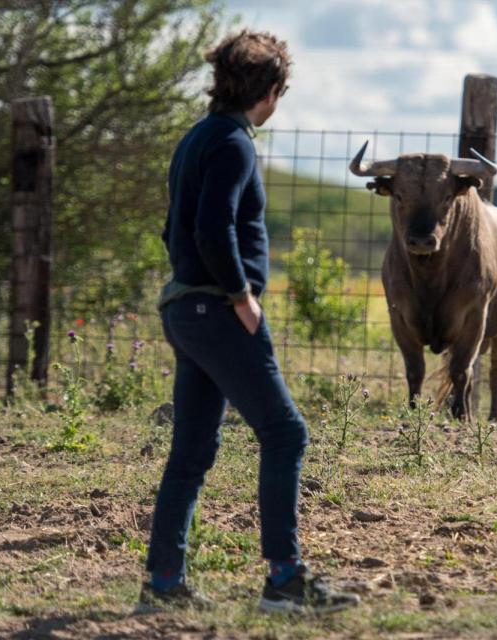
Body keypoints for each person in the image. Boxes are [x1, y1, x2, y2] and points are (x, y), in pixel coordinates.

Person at [141, 30, 359, 615]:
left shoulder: (196, 138)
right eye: (281, 90)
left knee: (191, 450)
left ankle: (164, 584)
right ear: (271, 89)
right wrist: (241, 296)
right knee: (286, 434)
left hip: (185, 307)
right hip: (217, 308)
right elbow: (215, 228)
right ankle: (284, 580)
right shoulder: (235, 143)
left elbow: (175, 230)